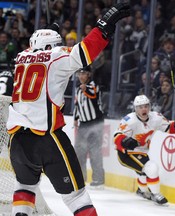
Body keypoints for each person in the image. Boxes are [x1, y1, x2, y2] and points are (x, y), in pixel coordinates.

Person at [6, 3, 130, 216]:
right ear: (53, 45)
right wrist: (103, 26)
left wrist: (49, 33)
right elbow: (83, 53)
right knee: (76, 196)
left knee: (25, 186)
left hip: (17, 141)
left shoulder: (20, 59)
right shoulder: (56, 55)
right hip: (47, 138)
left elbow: (38, 52)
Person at [113, 94, 175, 205]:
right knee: (151, 168)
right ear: (135, 108)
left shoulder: (156, 117)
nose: (144, 109)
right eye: (140, 107)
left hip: (142, 152)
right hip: (126, 154)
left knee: (143, 171)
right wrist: (124, 141)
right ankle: (155, 194)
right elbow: (117, 136)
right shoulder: (129, 120)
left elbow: (168, 128)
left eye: (146, 106)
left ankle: (142, 191)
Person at [73, 66, 105, 189]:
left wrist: (85, 89)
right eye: (79, 74)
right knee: (79, 152)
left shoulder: (93, 85)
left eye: (84, 74)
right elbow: (77, 105)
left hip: (95, 123)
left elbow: (93, 95)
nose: (81, 76)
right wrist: (76, 118)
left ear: (89, 75)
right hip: (83, 124)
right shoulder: (78, 89)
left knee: (94, 152)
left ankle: (99, 180)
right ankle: (80, 178)